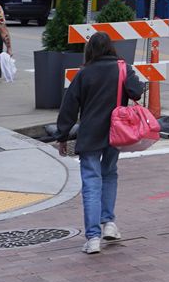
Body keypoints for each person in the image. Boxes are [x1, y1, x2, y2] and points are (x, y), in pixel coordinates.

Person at [54, 32, 145, 255]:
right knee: (110, 174)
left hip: (90, 135)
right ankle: (109, 223)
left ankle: (93, 237)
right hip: (116, 133)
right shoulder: (122, 68)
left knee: (91, 183)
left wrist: (63, 135)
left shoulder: (84, 73)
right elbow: (137, 92)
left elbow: (69, 107)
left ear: (90, 50)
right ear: (111, 48)